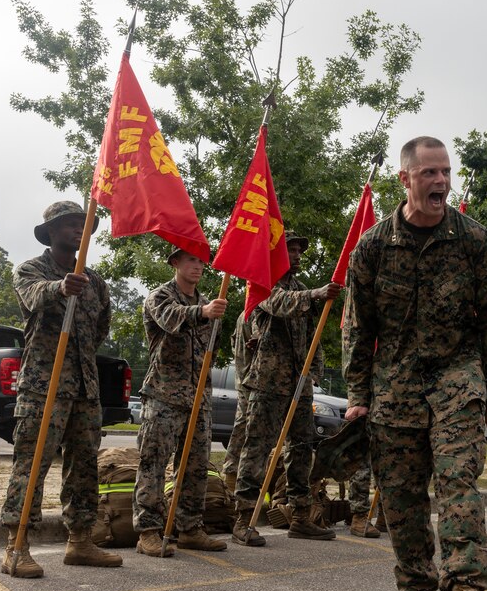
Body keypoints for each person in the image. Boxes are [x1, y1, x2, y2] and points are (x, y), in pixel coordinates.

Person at [343, 135, 487, 591]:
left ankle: (466, 587)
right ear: (406, 179)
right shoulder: (372, 248)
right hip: (393, 381)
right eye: (429, 173)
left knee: (457, 477)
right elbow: (358, 329)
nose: (440, 182)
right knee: (400, 494)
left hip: (457, 377)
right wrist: (358, 396)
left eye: (445, 172)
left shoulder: (475, 240)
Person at [0, 201, 122, 577]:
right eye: (68, 225)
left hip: (85, 387)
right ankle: (16, 546)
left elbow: (101, 326)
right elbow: (33, 296)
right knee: (31, 463)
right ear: (51, 232)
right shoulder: (32, 269)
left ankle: (80, 541)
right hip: (43, 384)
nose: (76, 231)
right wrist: (60, 287)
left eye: (82, 225)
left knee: (84, 466)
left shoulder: (96, 282)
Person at [232, 232, 341, 546]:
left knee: (302, 448)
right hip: (268, 382)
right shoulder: (263, 281)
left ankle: (300, 516)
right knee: (256, 449)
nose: (296, 256)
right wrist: (316, 293)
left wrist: (315, 371)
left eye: (298, 250)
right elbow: (278, 305)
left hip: (299, 382)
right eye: (290, 250)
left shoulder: (299, 288)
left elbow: (311, 336)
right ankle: (244, 517)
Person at [132, 248, 229, 557]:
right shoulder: (159, 297)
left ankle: (189, 528)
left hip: (199, 395)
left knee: (196, 465)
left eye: (202, 261)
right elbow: (170, 318)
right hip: (164, 393)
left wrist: (209, 313)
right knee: (154, 462)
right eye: (191, 260)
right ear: (175, 262)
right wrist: (202, 313)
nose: (198, 267)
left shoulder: (208, 303)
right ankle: (148, 529)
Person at [223, 312, 260, 492]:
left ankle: (232, 475)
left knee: (243, 425)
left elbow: (233, 341)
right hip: (252, 380)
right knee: (248, 427)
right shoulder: (255, 311)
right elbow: (257, 338)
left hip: (245, 377)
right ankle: (234, 478)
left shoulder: (244, 313)